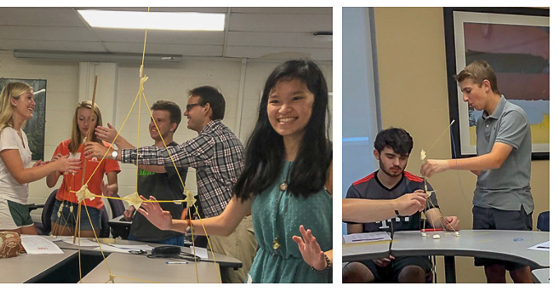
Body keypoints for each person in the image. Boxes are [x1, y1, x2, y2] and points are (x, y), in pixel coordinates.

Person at [139, 60, 332, 283]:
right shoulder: (262, 163)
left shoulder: (327, 160)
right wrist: (171, 224)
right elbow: (224, 223)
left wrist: (324, 260)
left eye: (296, 98)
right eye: (275, 100)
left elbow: (343, 237)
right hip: (264, 273)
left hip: (310, 275)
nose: (283, 109)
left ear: (316, 102)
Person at [86, 86, 252, 282]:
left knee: (233, 281)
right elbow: (150, 158)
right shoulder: (214, 137)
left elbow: (163, 159)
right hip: (220, 226)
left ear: (206, 108)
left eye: (190, 107)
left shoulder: (211, 140)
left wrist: (113, 150)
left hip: (229, 228)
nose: (186, 112)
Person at [421, 60, 534, 283]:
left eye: (468, 91)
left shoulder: (513, 115)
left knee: (519, 271)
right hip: (483, 203)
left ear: (485, 85)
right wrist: (473, 166)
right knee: (491, 270)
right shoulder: (482, 121)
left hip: (510, 206)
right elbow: (484, 167)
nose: (465, 98)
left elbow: (495, 160)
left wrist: (447, 164)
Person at [344, 128, 460, 283]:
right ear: (377, 154)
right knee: (352, 273)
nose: (397, 163)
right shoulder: (358, 189)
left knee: (412, 273)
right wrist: (372, 253)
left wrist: (446, 222)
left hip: (409, 255)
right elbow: (354, 236)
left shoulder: (418, 185)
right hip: (371, 256)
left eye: (403, 158)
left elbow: (436, 219)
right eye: (390, 157)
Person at [0, 82, 81, 235]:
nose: (33, 103)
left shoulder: (20, 134)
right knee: (12, 256)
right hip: (3, 202)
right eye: (28, 98)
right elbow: (20, 176)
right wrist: (56, 166)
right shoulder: (5, 133)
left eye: (33, 99)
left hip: (19, 203)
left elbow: (20, 172)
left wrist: (37, 169)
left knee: (36, 247)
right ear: (13, 101)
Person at [91, 100, 189, 246]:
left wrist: (116, 142)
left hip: (166, 235)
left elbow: (152, 163)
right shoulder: (144, 154)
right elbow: (146, 189)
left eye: (160, 121)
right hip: (138, 232)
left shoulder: (178, 154)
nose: (153, 124)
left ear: (172, 126)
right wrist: (133, 206)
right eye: (152, 120)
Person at [46, 101, 120, 238]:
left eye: (91, 119)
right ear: (76, 121)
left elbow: (114, 185)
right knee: (62, 250)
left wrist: (110, 189)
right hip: (63, 205)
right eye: (81, 119)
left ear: (97, 121)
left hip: (90, 208)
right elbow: (50, 183)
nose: (86, 123)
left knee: (85, 254)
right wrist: (52, 167)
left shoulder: (106, 149)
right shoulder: (64, 146)